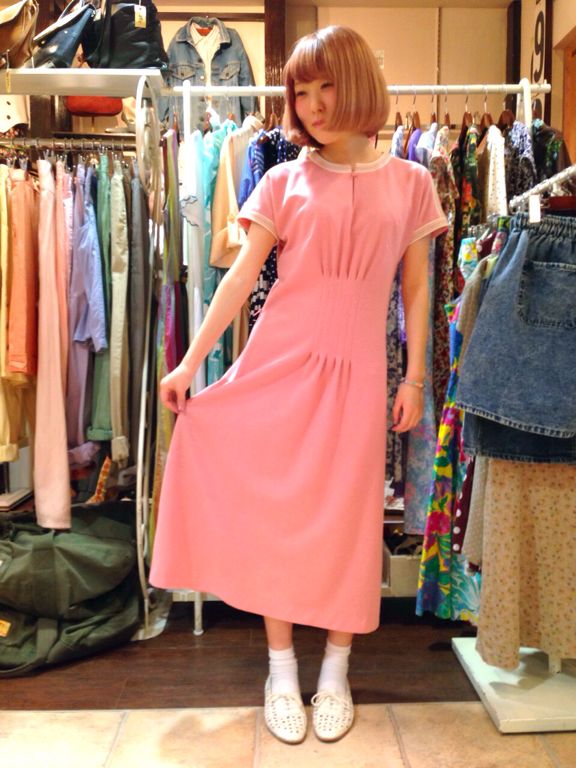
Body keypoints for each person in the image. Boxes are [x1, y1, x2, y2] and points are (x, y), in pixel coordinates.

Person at [150, 25, 447, 745]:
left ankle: (336, 671)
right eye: (302, 91)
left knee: (349, 522)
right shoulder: (282, 180)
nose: (313, 104)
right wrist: (190, 363)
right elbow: (240, 279)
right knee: (277, 518)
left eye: (326, 86)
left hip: (359, 376)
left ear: (359, 83)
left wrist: (415, 377)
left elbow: (416, 289)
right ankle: (281, 670)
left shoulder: (413, 183)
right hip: (278, 366)